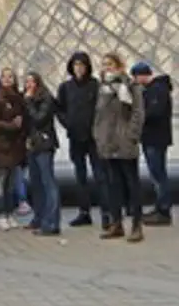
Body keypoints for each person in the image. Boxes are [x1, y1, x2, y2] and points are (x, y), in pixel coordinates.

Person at [94, 52, 146, 241]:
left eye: (110, 64)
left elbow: (138, 113)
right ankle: (116, 224)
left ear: (119, 65)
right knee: (113, 185)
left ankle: (137, 225)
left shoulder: (131, 86)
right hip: (108, 143)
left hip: (124, 142)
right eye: (104, 64)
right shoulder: (103, 89)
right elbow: (99, 116)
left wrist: (131, 136)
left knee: (132, 185)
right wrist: (98, 135)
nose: (106, 67)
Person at [57, 51, 108, 229]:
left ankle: (106, 213)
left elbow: (104, 111)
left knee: (101, 176)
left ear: (87, 67)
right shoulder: (65, 87)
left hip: (94, 138)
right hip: (75, 137)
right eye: (76, 65)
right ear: (71, 67)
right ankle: (84, 212)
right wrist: (68, 124)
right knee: (80, 176)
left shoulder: (96, 85)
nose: (79, 68)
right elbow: (59, 109)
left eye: (82, 65)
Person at [0, 67, 27, 230]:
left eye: (11, 77)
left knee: (10, 184)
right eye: (5, 77)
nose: (8, 79)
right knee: (0, 181)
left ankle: (10, 213)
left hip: (14, 146)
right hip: (0, 145)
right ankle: (1, 214)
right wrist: (12, 126)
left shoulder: (18, 98)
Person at [133, 62, 173, 226]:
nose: (135, 80)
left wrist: (140, 116)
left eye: (135, 77)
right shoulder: (153, 90)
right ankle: (160, 207)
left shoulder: (157, 90)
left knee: (158, 175)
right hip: (153, 138)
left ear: (143, 75)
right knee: (156, 174)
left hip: (155, 138)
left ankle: (163, 210)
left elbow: (155, 113)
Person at [23, 71, 61, 235]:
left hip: (44, 144)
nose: (28, 85)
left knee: (47, 183)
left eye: (32, 81)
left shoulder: (46, 98)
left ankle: (51, 223)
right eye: (27, 82)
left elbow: (39, 119)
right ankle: (39, 218)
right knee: (36, 184)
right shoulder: (27, 99)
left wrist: (29, 101)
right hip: (32, 144)